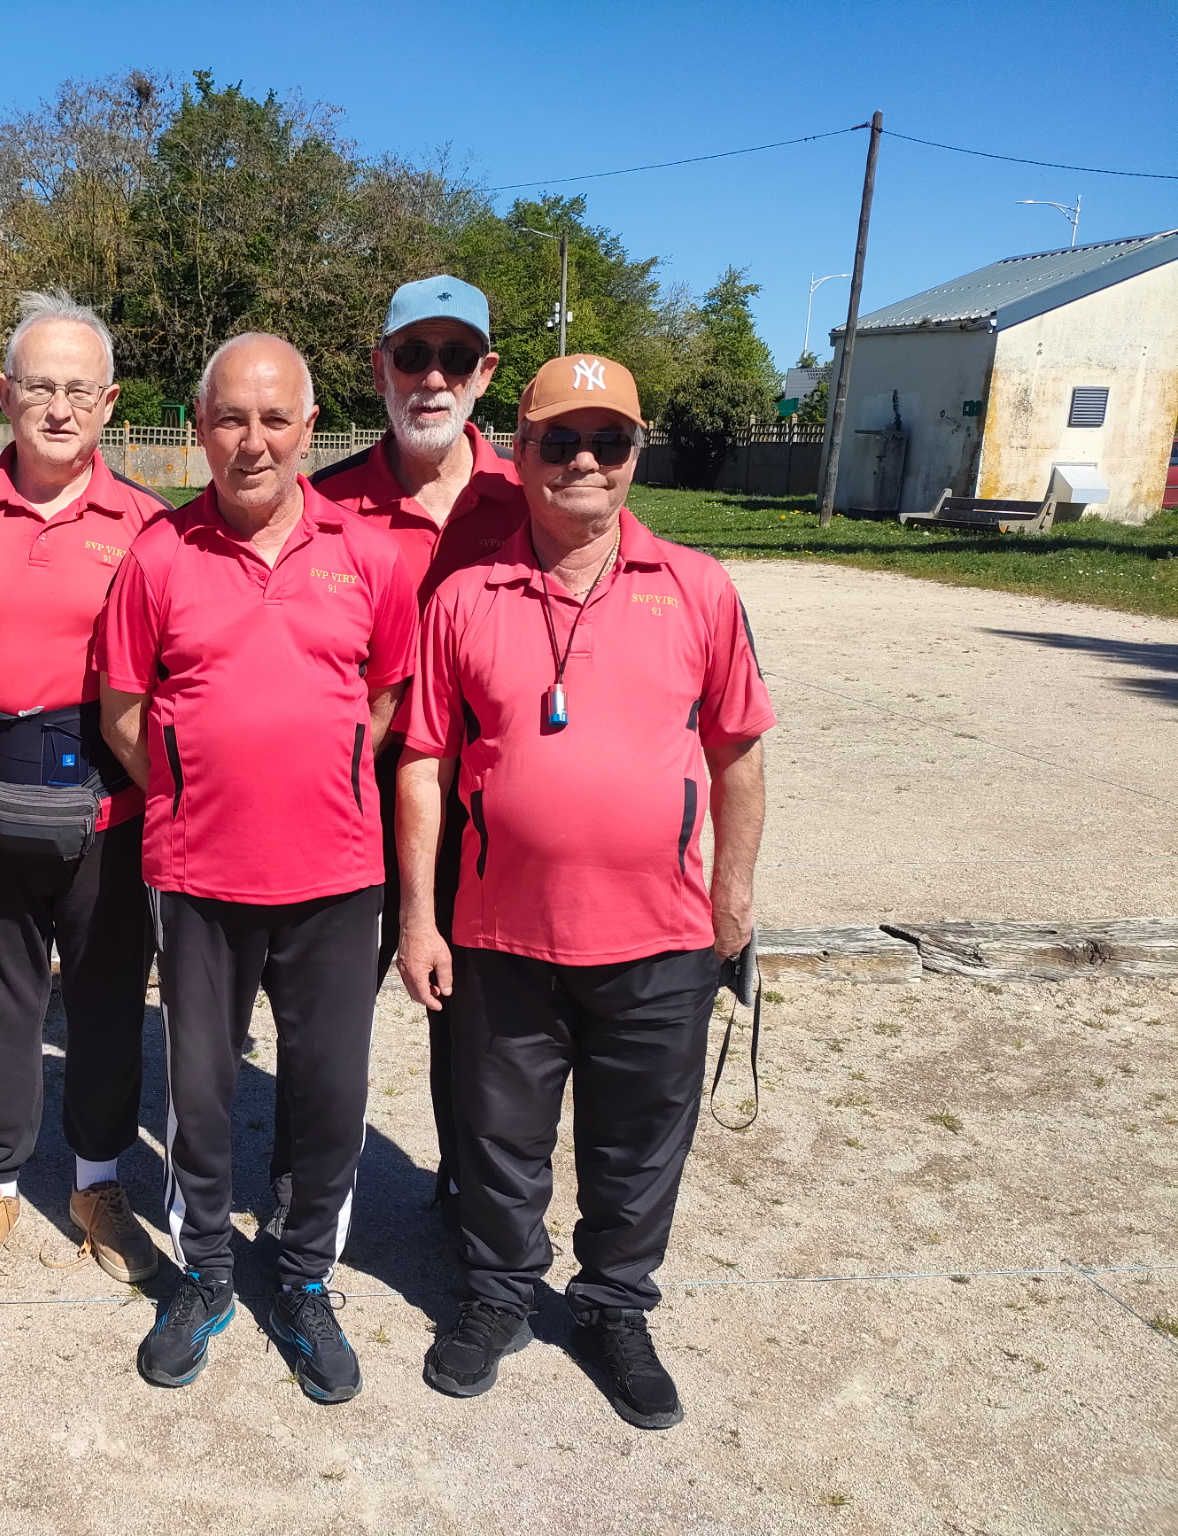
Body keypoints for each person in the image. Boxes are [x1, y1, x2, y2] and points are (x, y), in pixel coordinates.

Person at [396, 353, 773, 1427]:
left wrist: (732, 900)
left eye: (607, 442)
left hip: (659, 938)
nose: (583, 462)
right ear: (514, 456)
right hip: (502, 936)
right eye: (558, 440)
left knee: (636, 1142)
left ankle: (612, 1306)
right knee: (496, 1139)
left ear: (633, 457)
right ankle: (497, 1294)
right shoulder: (463, 597)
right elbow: (421, 760)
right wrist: (420, 917)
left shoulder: (697, 587)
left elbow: (738, 752)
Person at [99, 333, 415, 1404]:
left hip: (335, 875)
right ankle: (206, 1277)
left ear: (308, 428)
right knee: (197, 1089)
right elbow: (125, 712)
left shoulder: (366, 555)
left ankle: (304, 1278)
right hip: (196, 872)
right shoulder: (156, 557)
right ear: (197, 428)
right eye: (230, 418)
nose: (251, 441)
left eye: (273, 419)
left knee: (327, 1093)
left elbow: (381, 699)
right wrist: (201, 784)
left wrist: (309, 773)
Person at [0, 291, 170, 1297]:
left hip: (109, 813)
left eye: (77, 390)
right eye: (38, 387)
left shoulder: (149, 524)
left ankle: (98, 1185)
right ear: (3, 395)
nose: (57, 408)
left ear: (106, 403)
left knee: (106, 1008)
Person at [275, 274, 526, 1229]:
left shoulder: (528, 499)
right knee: (320, 1023)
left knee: (479, 1025)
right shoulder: (322, 501)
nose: (432, 377)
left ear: (484, 373)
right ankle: (302, 1210)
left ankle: (470, 1201)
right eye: (412, 355)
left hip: (483, 805)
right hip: (345, 800)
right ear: (380, 368)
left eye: (454, 357)